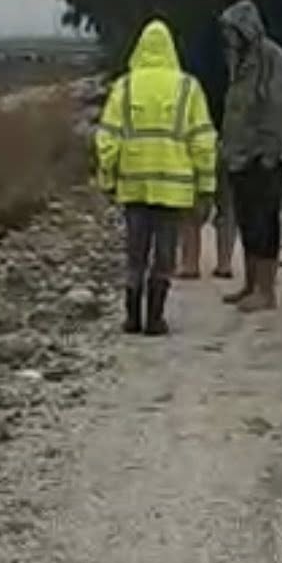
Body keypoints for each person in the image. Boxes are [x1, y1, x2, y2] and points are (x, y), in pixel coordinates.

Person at [95, 18, 217, 336]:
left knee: (135, 253)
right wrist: (206, 187)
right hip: (174, 189)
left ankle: (132, 317)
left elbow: (107, 139)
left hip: (133, 186)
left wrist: (108, 180)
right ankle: (155, 319)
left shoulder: (125, 86)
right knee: (164, 255)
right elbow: (203, 141)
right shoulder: (188, 88)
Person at [219, 0, 282, 312]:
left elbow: (279, 107)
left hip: (262, 156)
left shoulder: (271, 58)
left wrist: (269, 152)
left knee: (265, 222)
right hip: (240, 155)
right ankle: (250, 284)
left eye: (231, 31)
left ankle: (266, 290)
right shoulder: (240, 59)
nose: (227, 37)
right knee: (248, 221)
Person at [177, 12, 236, 281]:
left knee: (192, 207)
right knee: (228, 207)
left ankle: (189, 263)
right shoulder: (240, 63)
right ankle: (224, 264)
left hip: (199, 140)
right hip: (231, 140)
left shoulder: (193, 65)